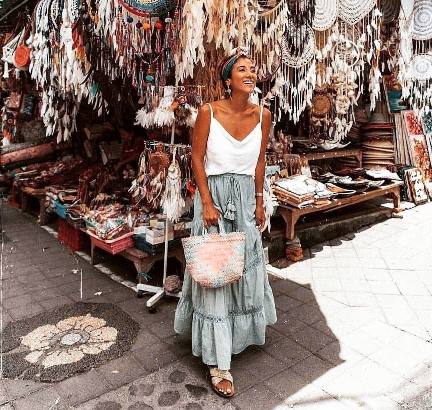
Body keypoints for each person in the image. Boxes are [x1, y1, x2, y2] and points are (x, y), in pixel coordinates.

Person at [174, 49, 277, 398]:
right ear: (228, 78)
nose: (249, 73)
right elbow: (196, 158)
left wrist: (261, 202)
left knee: (243, 268)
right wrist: (205, 201)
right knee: (216, 270)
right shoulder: (209, 112)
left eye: (252, 69)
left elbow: (260, 161)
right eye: (242, 69)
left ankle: (237, 336)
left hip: (246, 197)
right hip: (215, 198)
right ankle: (219, 363)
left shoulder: (264, 115)